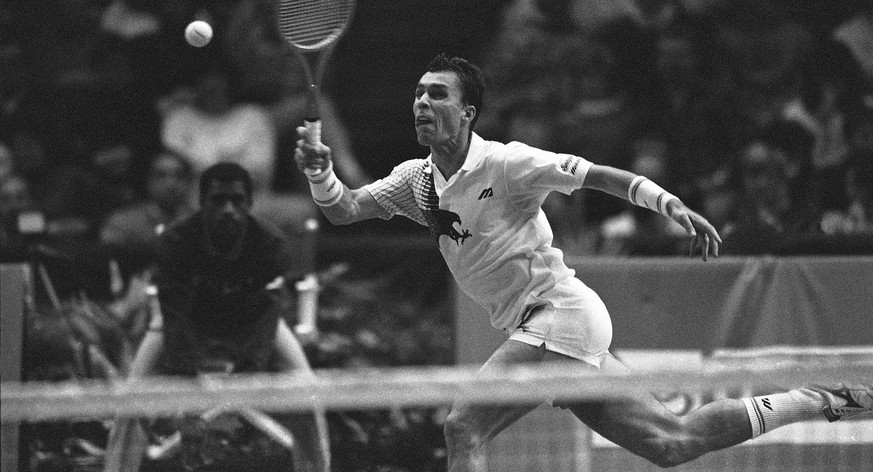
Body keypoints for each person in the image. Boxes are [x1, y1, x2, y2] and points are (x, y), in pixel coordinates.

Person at [294, 53, 872, 471]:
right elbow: (344, 211)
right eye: (418, 93)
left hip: (559, 314)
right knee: (670, 442)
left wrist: (667, 203)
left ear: (467, 111)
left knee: (463, 424)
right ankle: (816, 399)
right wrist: (321, 174)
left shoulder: (508, 164)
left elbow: (594, 176)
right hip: (537, 326)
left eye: (437, 93)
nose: (422, 102)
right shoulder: (413, 182)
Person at [103, 163, 329, 472]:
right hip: (184, 322)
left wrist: (250, 369)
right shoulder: (175, 242)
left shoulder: (271, 245)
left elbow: (266, 312)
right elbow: (175, 313)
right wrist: (186, 386)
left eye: (237, 201)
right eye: (218, 200)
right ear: (202, 203)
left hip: (250, 321)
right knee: (130, 401)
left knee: (309, 393)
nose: (228, 210)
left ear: (250, 203)